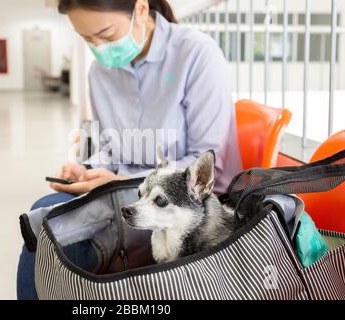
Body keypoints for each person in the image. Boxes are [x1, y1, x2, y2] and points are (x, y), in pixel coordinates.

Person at [17, 0, 242, 300]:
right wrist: (87, 170)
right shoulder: (100, 72)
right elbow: (109, 148)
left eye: (106, 34)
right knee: (45, 220)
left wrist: (120, 183)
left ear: (140, 10)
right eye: (87, 39)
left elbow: (211, 164)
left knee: (50, 225)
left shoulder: (196, 55)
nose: (98, 48)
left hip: (180, 210)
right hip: (122, 195)